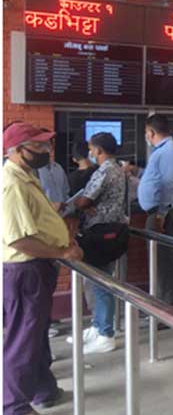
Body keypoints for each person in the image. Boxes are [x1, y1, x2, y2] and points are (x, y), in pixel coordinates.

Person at [3, 122, 83, 414]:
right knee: (23, 341)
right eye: (38, 146)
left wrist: (63, 240)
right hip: (26, 271)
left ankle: (42, 388)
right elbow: (19, 239)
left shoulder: (26, 177)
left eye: (46, 145)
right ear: (17, 150)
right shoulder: (12, 184)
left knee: (35, 335)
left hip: (37, 268)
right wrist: (62, 251)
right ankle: (14, 406)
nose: (46, 150)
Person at [70, 132, 127, 354]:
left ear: (100, 150)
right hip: (109, 230)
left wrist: (78, 202)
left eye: (92, 148)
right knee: (98, 280)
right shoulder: (118, 168)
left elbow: (84, 200)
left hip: (100, 232)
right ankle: (98, 325)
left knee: (100, 281)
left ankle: (105, 333)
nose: (90, 152)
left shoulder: (105, 170)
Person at [136, 114, 173, 309]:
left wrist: (160, 214)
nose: (146, 137)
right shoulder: (163, 151)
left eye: (146, 133)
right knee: (160, 262)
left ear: (151, 132)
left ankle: (171, 310)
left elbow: (168, 183)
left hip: (167, 212)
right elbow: (157, 178)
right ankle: (164, 306)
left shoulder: (169, 150)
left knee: (166, 263)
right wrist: (136, 172)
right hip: (161, 211)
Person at [36, 133, 69, 206]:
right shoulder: (33, 170)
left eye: (49, 144)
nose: (47, 148)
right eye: (43, 144)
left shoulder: (58, 167)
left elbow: (65, 192)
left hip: (61, 212)